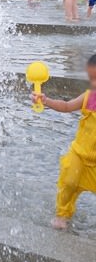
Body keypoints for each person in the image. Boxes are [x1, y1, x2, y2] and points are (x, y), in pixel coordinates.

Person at [32, 54, 96, 230]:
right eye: (92, 79)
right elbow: (67, 107)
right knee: (69, 182)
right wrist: (46, 101)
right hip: (79, 154)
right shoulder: (89, 97)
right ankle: (62, 214)